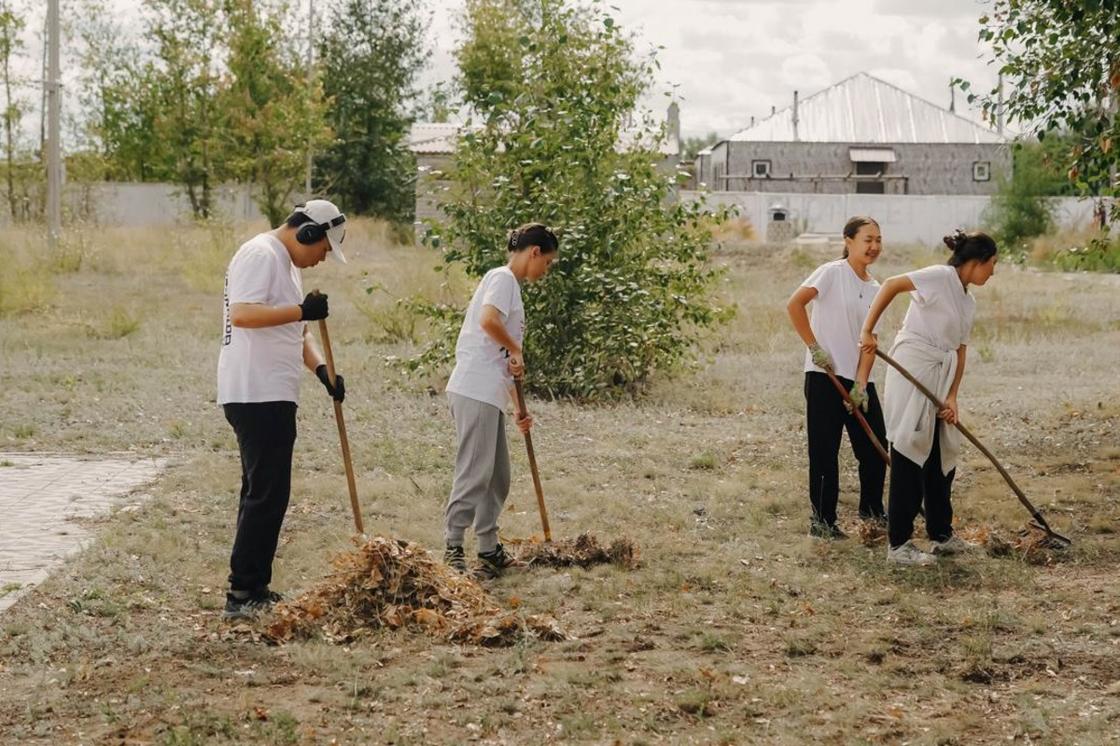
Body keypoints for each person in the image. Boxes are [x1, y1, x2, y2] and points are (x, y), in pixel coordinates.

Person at [217, 199, 349, 618]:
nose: (321, 259)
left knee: (264, 492)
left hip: (272, 390)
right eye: (323, 249)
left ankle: (254, 585)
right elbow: (242, 314)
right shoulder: (261, 253)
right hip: (255, 391)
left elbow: (298, 329)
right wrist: (300, 309)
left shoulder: (284, 263)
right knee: (267, 494)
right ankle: (243, 594)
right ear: (307, 233)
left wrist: (322, 369)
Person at [857, 229, 999, 566]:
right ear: (976, 262)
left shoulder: (968, 300)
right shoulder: (939, 277)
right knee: (909, 445)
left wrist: (952, 397)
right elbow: (892, 284)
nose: (993, 271)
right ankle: (899, 545)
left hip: (942, 373)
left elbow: (960, 350)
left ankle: (941, 535)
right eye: (992, 264)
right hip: (915, 366)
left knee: (941, 453)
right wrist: (868, 330)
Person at [443, 223, 559, 578]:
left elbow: (504, 359)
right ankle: (453, 548)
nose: (546, 270)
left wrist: (519, 408)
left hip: (490, 390)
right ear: (534, 252)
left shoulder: (513, 288)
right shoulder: (503, 278)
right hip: (474, 387)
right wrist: (515, 346)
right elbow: (488, 321)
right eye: (548, 262)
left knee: (498, 476)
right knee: (475, 471)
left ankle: (489, 547)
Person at [786, 216, 888, 539]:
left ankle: (871, 511)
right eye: (867, 239)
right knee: (824, 451)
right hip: (823, 375)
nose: (873, 246)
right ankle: (822, 522)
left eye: (878, 240)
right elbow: (795, 304)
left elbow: (870, 342)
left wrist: (860, 384)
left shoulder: (876, 288)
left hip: (856, 380)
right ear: (848, 241)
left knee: (874, 449)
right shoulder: (831, 273)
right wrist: (814, 347)